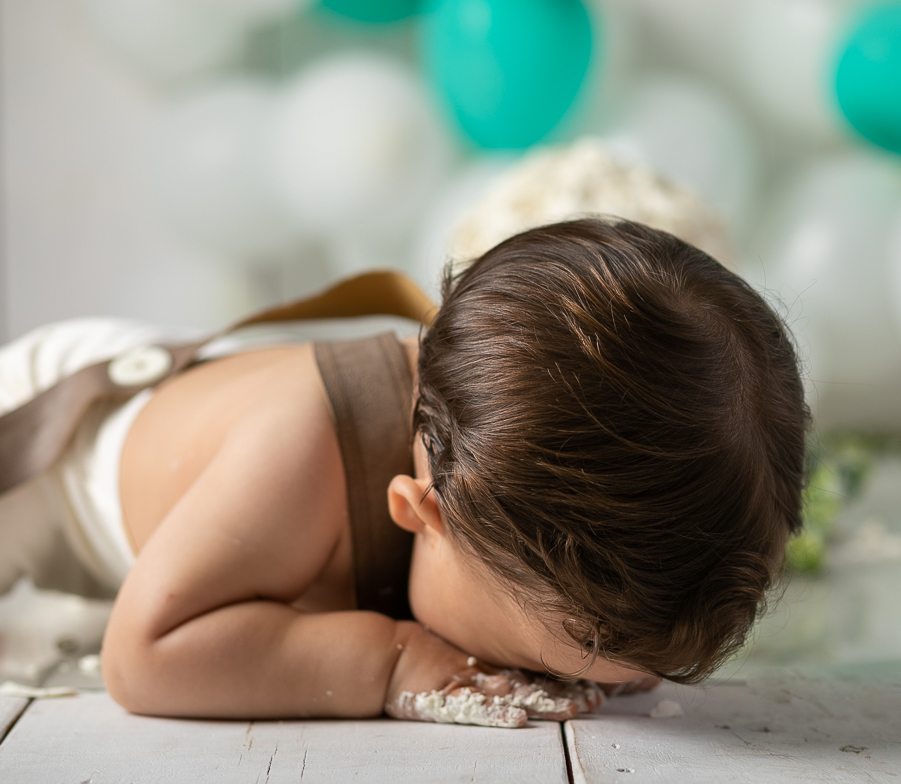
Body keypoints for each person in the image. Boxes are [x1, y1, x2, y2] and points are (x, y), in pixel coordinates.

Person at [1, 218, 809, 727]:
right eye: (555, 658)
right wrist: (388, 661)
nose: (543, 680)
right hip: (45, 445)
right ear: (421, 513)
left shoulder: (483, 460)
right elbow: (144, 655)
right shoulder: (297, 458)